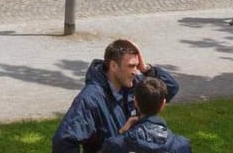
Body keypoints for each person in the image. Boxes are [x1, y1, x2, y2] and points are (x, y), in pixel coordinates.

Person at [52, 38, 180, 153]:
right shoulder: (91, 99)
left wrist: (147, 69)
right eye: (131, 66)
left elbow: (171, 89)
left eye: (137, 65)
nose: (135, 71)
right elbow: (64, 141)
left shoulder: (135, 84)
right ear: (113, 66)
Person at [102, 75, 192, 153]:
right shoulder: (181, 146)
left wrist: (122, 132)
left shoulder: (116, 144)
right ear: (163, 104)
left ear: (135, 101)